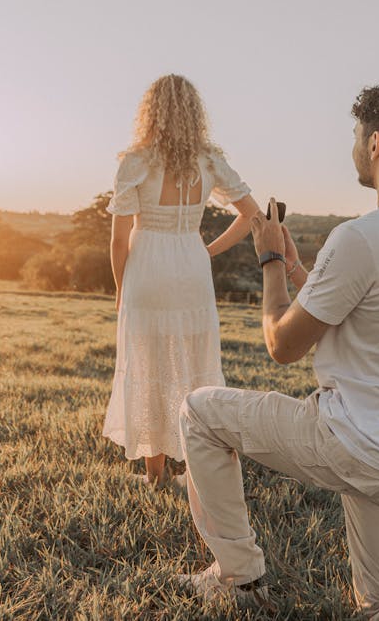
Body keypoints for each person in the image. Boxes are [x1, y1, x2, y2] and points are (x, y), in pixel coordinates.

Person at [178, 77, 379, 618]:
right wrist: (303, 269)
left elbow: (281, 343)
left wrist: (271, 262)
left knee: (199, 412)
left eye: (356, 134)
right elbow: (374, 310)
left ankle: (238, 574)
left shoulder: (360, 237)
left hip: (355, 444)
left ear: (376, 143)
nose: (354, 145)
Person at [103, 74, 259, 488]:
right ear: (195, 113)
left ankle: (155, 474)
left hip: (146, 270)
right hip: (190, 263)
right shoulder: (209, 161)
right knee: (197, 367)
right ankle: (197, 471)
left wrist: (121, 287)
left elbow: (119, 241)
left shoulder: (135, 161)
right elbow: (252, 216)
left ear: (149, 111)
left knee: (147, 364)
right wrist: (205, 251)